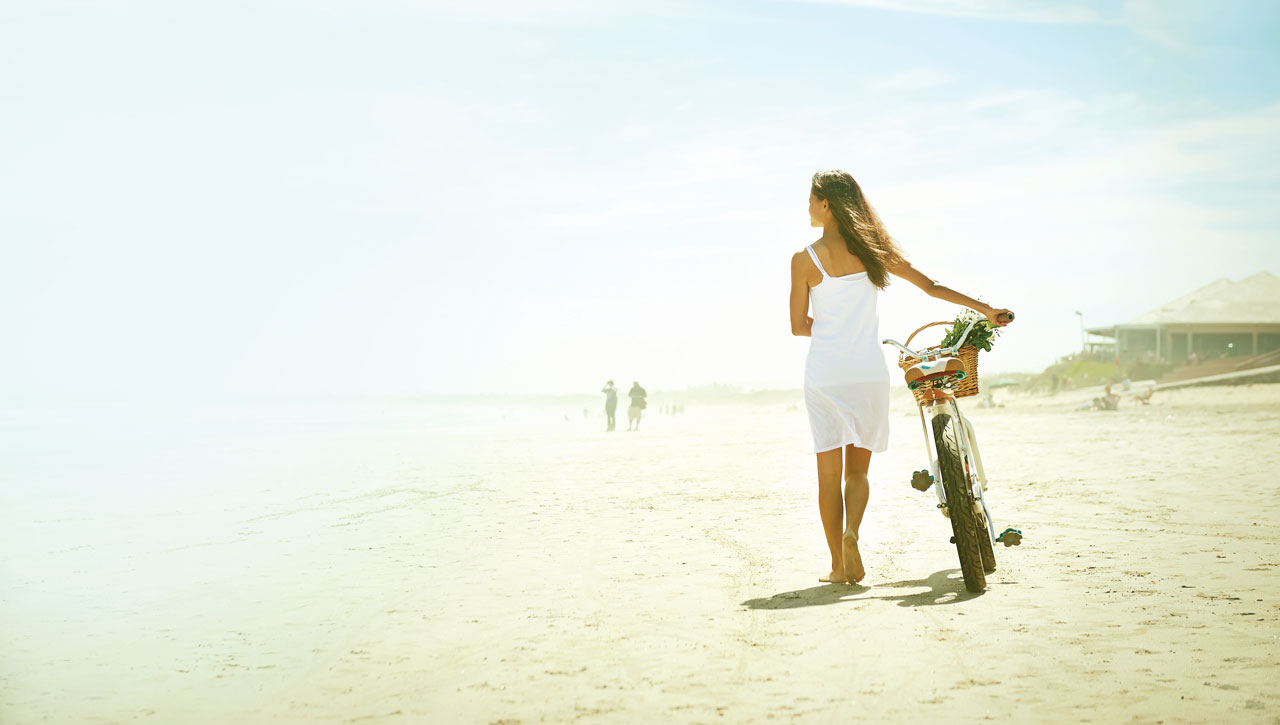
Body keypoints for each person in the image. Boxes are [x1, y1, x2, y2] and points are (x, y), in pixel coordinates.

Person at [789, 170, 1013, 585]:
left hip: (824, 375)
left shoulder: (804, 259)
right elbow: (931, 287)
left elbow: (798, 326)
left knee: (826, 476)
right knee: (857, 472)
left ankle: (839, 566)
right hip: (867, 374)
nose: (806, 208)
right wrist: (986, 310)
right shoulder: (874, 252)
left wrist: (830, 323)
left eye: (810, 200)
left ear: (826, 204)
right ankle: (853, 533)